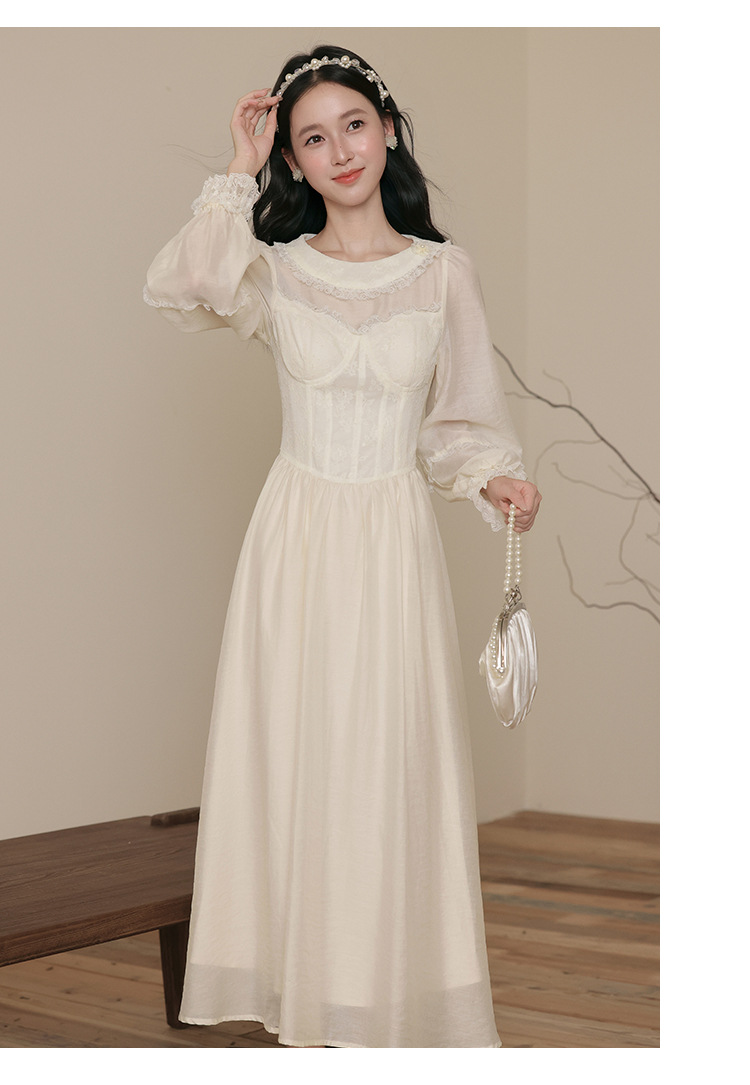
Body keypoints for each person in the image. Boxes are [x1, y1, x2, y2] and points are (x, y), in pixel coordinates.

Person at [144, 44, 541, 1049]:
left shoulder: (443, 272)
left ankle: (383, 994)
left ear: (388, 129)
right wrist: (238, 169)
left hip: (391, 537)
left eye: (353, 125)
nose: (341, 150)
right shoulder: (273, 271)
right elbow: (185, 283)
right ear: (296, 160)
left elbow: (461, 422)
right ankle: (302, 991)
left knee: (385, 759)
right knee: (294, 751)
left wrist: (494, 479)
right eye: (312, 138)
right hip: (295, 539)